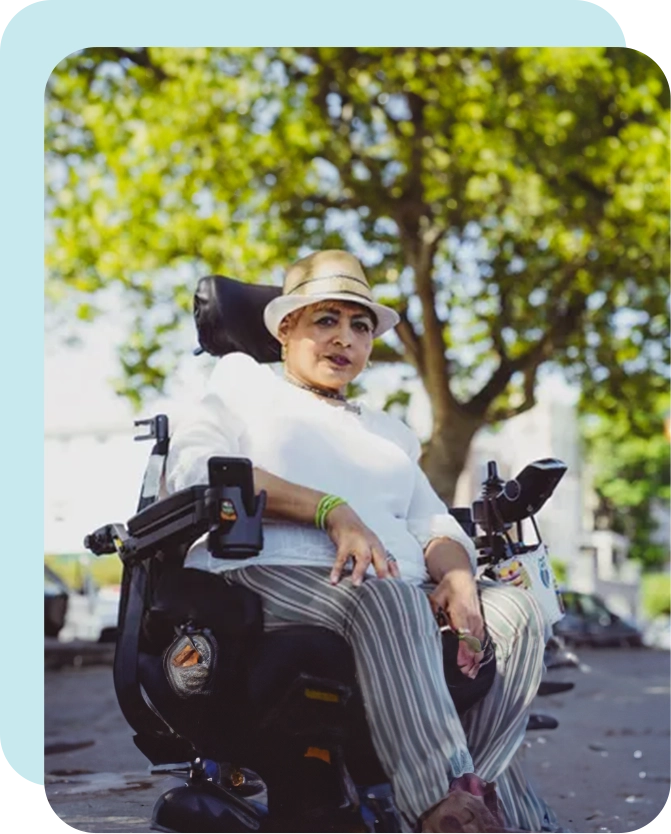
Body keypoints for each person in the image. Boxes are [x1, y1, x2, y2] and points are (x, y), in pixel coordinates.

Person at [166, 250, 563, 834]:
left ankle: (483, 796)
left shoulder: (388, 431)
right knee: (388, 595)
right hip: (271, 568)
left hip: (386, 584)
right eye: (325, 320)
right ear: (284, 329)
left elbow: (434, 525)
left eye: (359, 326)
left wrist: (455, 576)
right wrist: (329, 510)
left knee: (520, 612)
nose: (344, 339)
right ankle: (440, 808)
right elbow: (198, 470)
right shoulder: (242, 383)